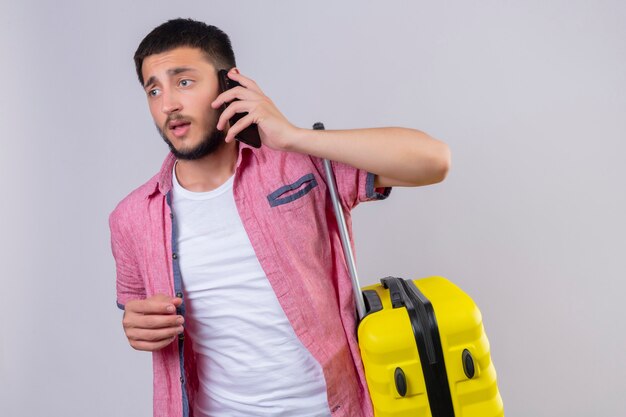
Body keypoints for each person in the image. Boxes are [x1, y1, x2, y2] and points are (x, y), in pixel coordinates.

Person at [109, 18, 450, 417]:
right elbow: (137, 313)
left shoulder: (300, 167)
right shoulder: (132, 218)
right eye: (154, 89)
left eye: (183, 82)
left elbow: (434, 161)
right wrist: (134, 328)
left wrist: (291, 135)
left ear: (229, 84)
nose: (168, 104)